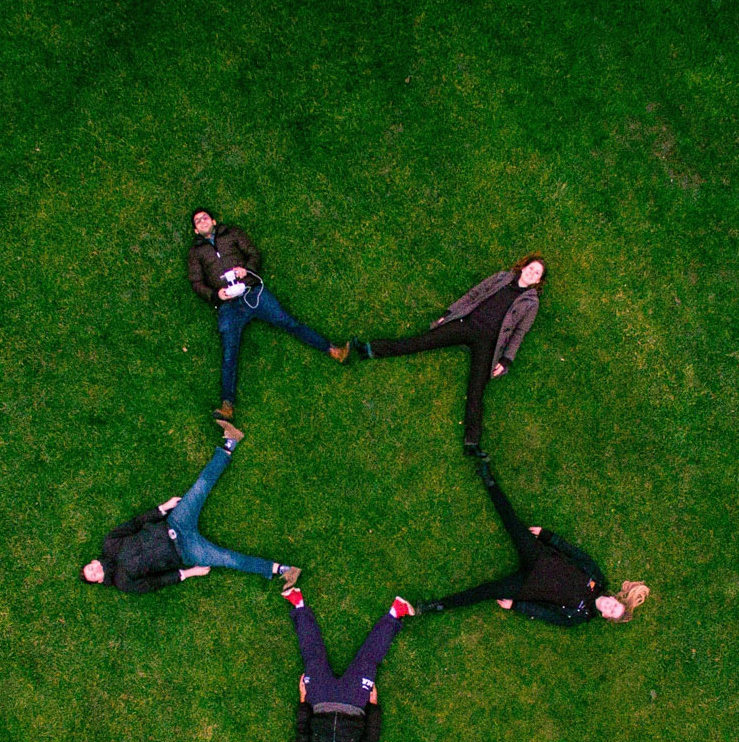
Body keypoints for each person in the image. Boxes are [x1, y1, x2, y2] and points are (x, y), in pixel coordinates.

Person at [351, 255, 546, 455]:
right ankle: (370, 350)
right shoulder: (501, 278)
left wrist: (506, 360)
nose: (532, 273)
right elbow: (474, 294)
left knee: (476, 390)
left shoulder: (531, 303)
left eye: (537, 273)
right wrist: (449, 312)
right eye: (531, 268)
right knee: (422, 342)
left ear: (538, 281)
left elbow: (519, 333)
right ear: (523, 267)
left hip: (488, 343)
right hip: (467, 324)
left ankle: (472, 442)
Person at [419, 457, 648, 625]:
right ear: (614, 598)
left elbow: (545, 614)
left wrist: (516, 606)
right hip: (539, 556)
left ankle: (437, 605)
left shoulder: (577, 617)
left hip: (527, 586)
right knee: (512, 523)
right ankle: (488, 479)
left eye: (611, 611)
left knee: (486, 591)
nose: (610, 606)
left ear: (606, 616)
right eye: (615, 604)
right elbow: (576, 554)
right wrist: (548, 536)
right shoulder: (597, 578)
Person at [83, 420, 301, 593]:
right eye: (93, 575)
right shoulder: (124, 582)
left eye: (91, 567)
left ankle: (230, 442)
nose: (94, 569)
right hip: (186, 552)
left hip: (175, 521)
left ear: (94, 561)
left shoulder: (111, 543)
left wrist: (162, 508)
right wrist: (190, 572)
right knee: (227, 559)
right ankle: (283, 570)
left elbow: (136, 522)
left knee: (200, 487)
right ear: (99, 580)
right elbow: (157, 582)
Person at [186, 208, 348, 422]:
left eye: (205, 217)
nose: (202, 221)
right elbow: (196, 283)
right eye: (198, 221)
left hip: (252, 292)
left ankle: (333, 350)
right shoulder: (195, 253)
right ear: (196, 230)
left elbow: (254, 253)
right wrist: (216, 295)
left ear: (214, 221)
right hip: (228, 306)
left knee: (288, 321)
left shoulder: (232, 233)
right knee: (229, 352)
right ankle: (227, 405)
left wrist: (246, 270)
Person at [284, 588, 415, 742]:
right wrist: (373, 706)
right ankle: (395, 613)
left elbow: (302, 734)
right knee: (368, 661)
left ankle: (298, 604)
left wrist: (303, 699)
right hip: (354, 704)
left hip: (320, 702)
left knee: (312, 658)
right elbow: (370, 741)